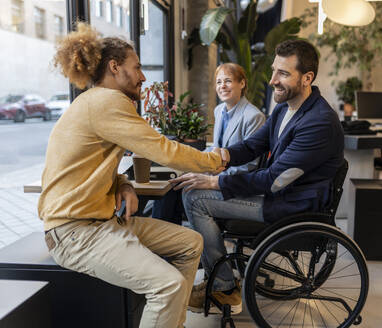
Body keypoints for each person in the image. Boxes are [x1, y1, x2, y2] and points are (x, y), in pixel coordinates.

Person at [39, 23, 227, 328]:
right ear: (115, 67)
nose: (142, 76)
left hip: (102, 225)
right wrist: (213, 161)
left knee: (191, 242)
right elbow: (163, 150)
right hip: (76, 234)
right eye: (136, 67)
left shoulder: (93, 103)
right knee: (169, 284)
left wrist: (124, 184)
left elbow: (97, 163)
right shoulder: (107, 102)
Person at [171, 39, 345, 314]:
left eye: (283, 73)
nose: (273, 80)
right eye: (274, 71)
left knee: (195, 198)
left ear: (307, 78)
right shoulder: (285, 109)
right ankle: (221, 277)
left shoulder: (319, 122)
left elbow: (274, 179)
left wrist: (216, 181)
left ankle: (224, 286)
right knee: (196, 189)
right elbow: (252, 146)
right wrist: (217, 158)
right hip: (279, 195)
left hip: (291, 206)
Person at [151, 63, 265, 224]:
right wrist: (191, 163)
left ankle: (162, 234)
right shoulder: (219, 110)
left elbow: (248, 166)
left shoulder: (254, 116)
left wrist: (212, 179)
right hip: (213, 172)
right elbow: (215, 148)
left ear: (242, 83)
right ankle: (167, 235)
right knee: (174, 181)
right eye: (218, 82)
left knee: (180, 186)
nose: (222, 86)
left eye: (228, 81)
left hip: (232, 184)